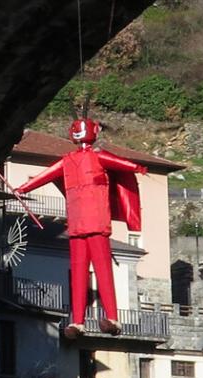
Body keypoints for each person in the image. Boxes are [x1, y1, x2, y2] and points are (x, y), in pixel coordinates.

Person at [13, 117, 146, 338]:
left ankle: (110, 317)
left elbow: (123, 164)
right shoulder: (70, 161)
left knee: (97, 270)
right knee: (81, 272)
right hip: (78, 223)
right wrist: (24, 188)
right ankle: (78, 320)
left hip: (94, 221)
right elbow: (44, 176)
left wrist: (137, 167)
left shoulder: (91, 158)